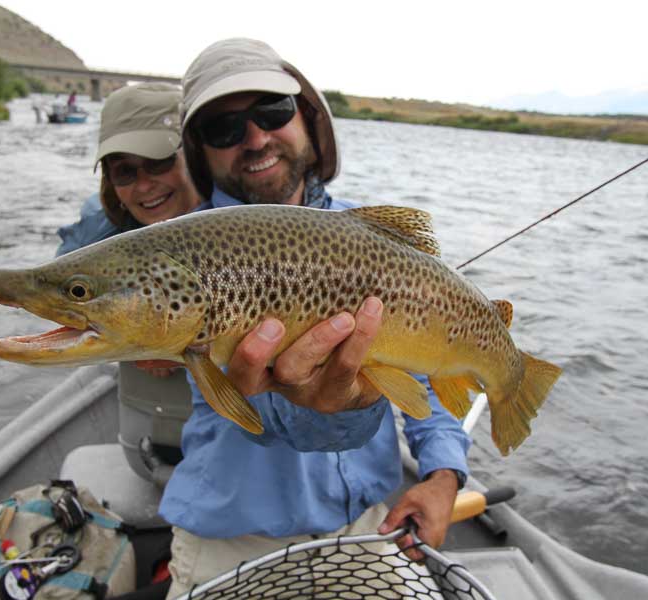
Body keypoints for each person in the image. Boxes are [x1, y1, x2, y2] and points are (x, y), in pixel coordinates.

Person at [160, 38, 471, 598]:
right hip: (230, 539)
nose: (255, 138)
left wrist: (443, 475)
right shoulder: (194, 255)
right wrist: (336, 405)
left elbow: (422, 375)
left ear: (309, 117)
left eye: (272, 112)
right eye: (224, 129)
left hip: (366, 530)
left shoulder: (375, 237)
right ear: (199, 151)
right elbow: (280, 425)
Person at [56, 81, 201, 256]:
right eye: (124, 171)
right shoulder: (86, 249)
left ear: (193, 153)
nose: (144, 186)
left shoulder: (240, 217)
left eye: (158, 161)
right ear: (109, 178)